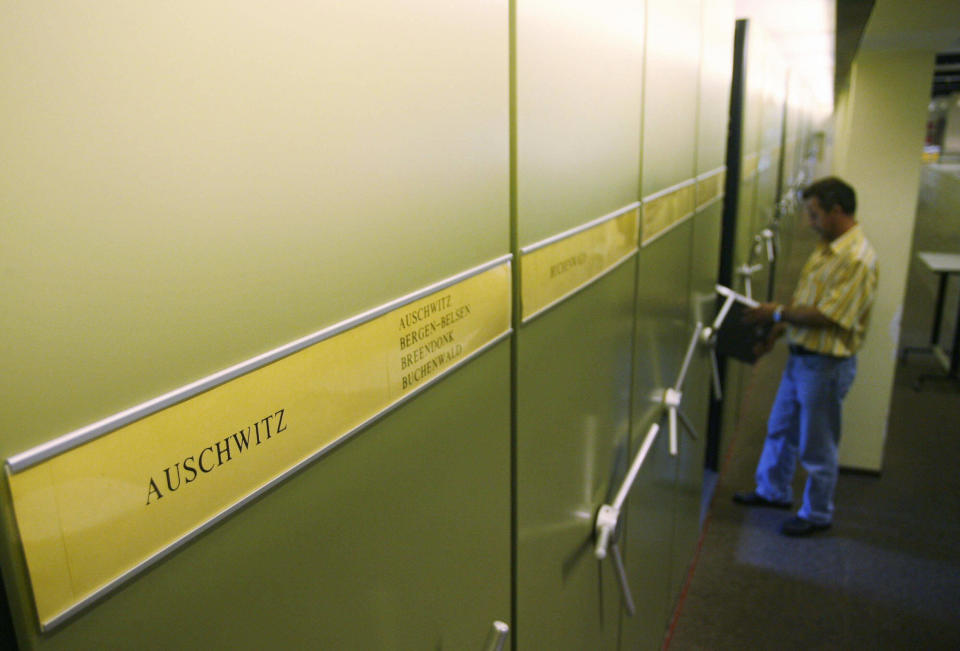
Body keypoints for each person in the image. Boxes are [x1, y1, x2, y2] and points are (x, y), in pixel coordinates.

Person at [733, 176, 878, 536]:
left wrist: (776, 314)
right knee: (780, 429)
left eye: (814, 214)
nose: (808, 222)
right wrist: (775, 332)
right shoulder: (825, 246)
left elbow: (829, 315)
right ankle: (773, 491)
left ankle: (816, 514)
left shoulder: (856, 259)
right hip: (801, 358)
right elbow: (803, 303)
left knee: (817, 444)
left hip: (826, 365)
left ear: (837, 211)